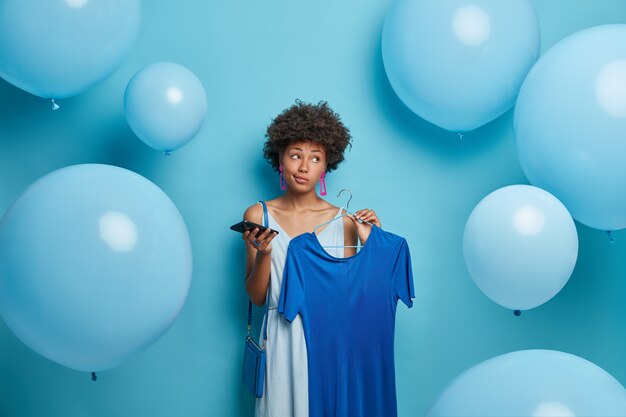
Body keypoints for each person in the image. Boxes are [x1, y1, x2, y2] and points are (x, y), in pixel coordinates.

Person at [242, 100, 381, 417]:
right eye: (295, 155)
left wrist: (373, 244)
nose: (304, 166)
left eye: (315, 158)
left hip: (329, 339)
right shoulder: (258, 214)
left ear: (326, 166)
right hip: (279, 336)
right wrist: (265, 254)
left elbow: (354, 299)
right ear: (280, 159)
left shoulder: (344, 221)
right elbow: (257, 296)